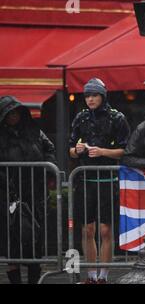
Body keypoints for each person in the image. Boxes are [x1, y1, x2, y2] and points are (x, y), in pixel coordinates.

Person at [69, 78, 130, 284]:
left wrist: (102, 151)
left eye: (94, 95)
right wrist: (76, 151)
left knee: (105, 230)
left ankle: (103, 276)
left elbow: (126, 151)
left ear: (102, 96)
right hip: (85, 179)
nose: (90, 99)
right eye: (87, 95)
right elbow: (70, 148)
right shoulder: (81, 118)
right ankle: (91, 276)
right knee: (87, 229)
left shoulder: (117, 118)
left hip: (108, 179)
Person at [0, 96, 56, 284]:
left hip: (35, 192)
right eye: (9, 114)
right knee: (11, 242)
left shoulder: (34, 131)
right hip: (8, 195)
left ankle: (34, 280)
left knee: (35, 239)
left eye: (15, 113)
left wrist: (48, 169)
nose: (13, 117)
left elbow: (50, 150)